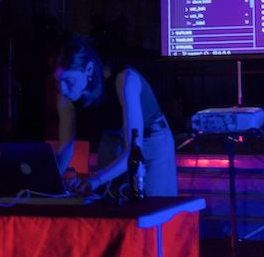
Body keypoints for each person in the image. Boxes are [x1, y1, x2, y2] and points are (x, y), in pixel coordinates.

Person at [53, 36, 177, 196]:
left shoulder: (125, 80)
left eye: (69, 81)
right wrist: (52, 185)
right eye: (58, 81)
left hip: (150, 139)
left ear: (89, 70)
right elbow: (65, 149)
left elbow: (133, 150)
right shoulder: (65, 96)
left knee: (155, 206)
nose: (62, 89)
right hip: (112, 139)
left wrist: (95, 180)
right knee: (106, 202)